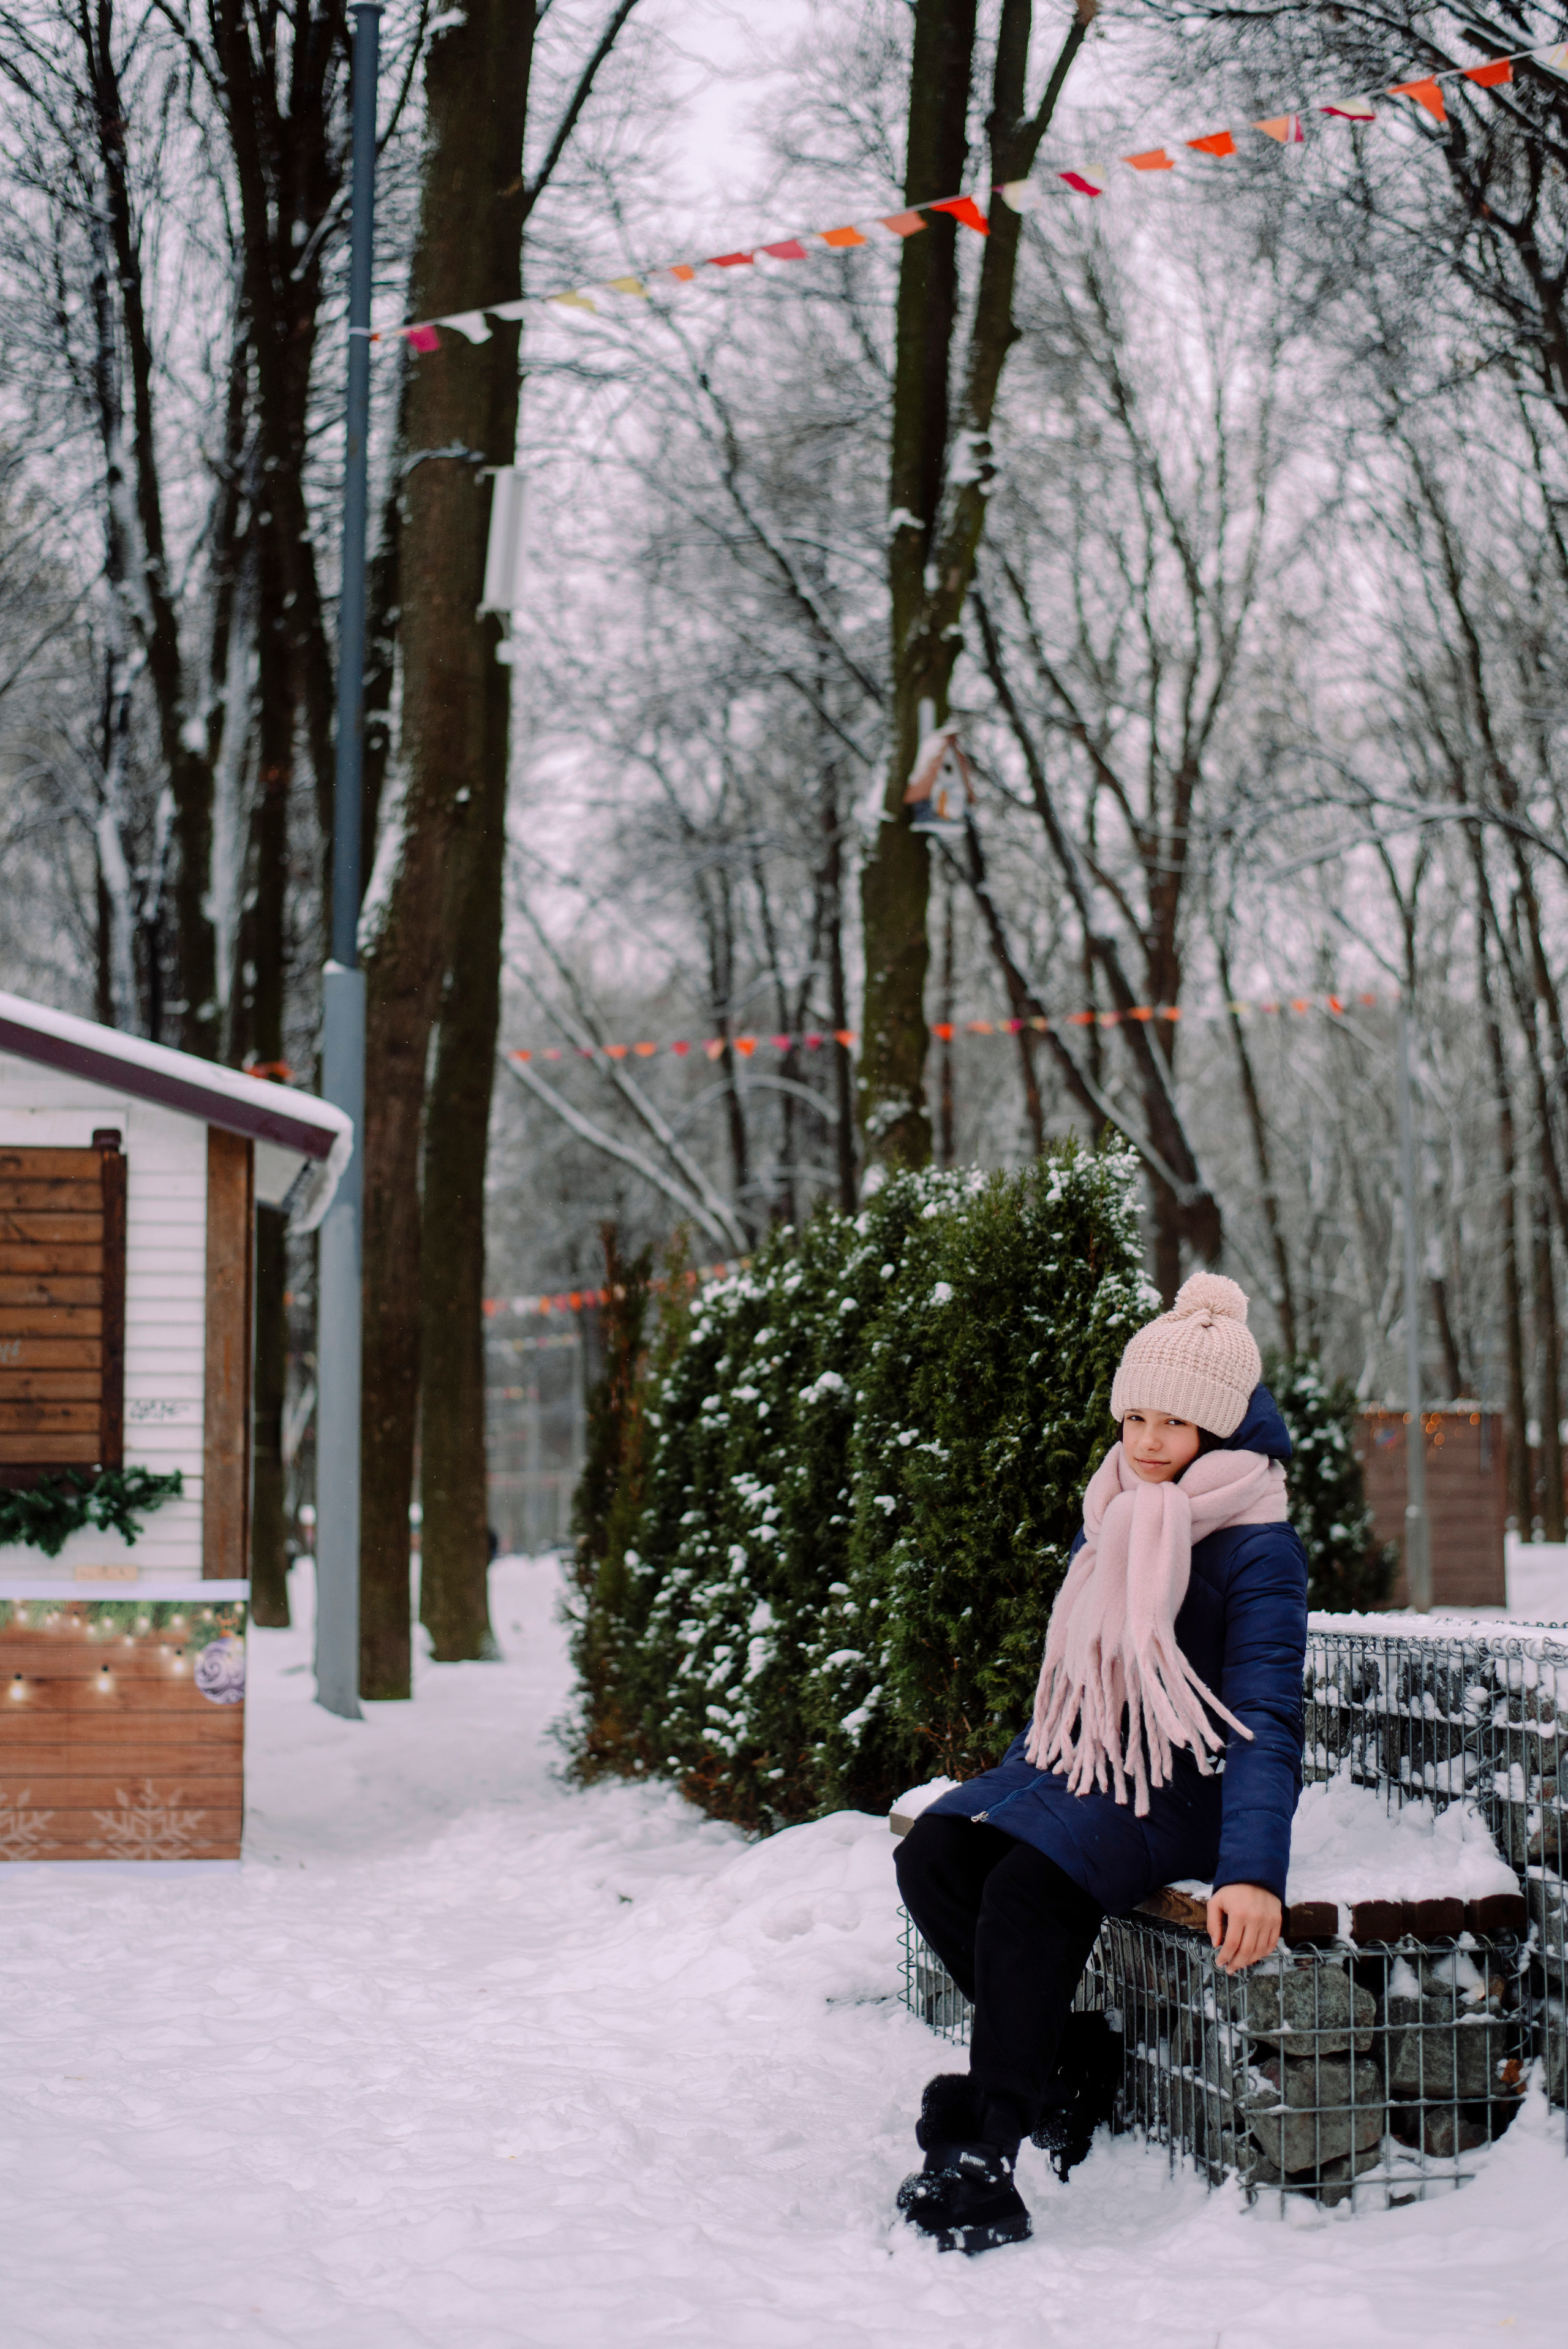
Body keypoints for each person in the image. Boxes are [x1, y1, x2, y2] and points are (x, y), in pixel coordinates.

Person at [894, 1271, 1308, 2255]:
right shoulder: (1116, 1507)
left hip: (1187, 1790)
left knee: (1030, 1888)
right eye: (1137, 1417)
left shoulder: (1258, 1545)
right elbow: (1075, 1675)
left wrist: (1252, 1870)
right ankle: (1070, 2056)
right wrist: (1018, 1785)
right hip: (1091, 1761)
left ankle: (987, 2154)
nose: (1151, 1440)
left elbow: (1263, 1715)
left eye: (1177, 1421)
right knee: (941, 1851)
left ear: (1224, 1431)